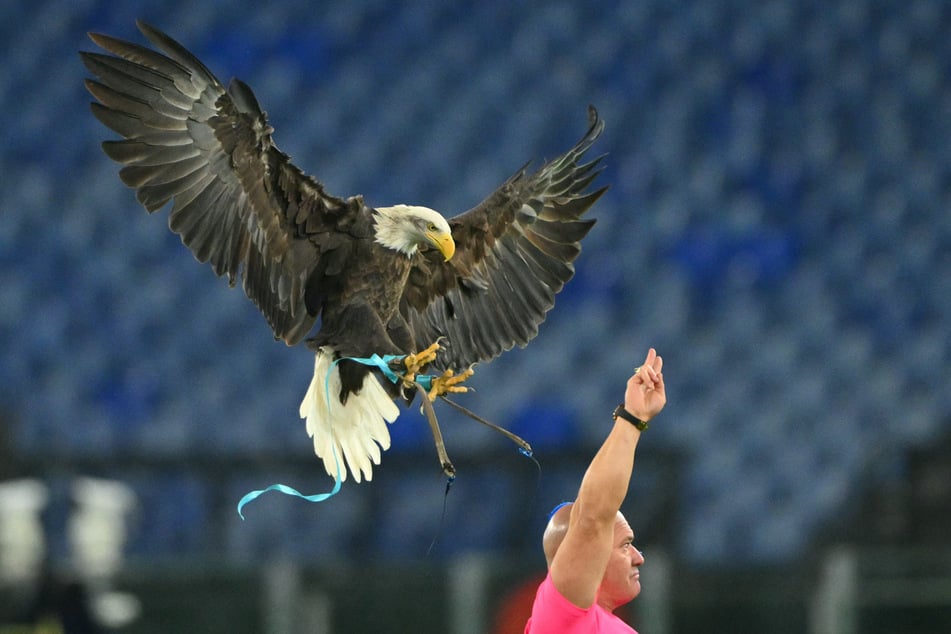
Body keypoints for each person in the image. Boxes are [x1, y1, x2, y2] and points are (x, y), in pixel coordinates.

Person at [524, 348, 666, 634]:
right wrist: (633, 418)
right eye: (625, 545)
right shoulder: (561, 617)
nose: (639, 557)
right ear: (589, 553)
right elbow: (593, 518)